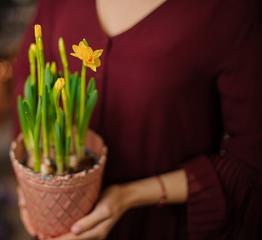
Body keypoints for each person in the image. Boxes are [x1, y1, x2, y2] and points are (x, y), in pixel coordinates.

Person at [13, 0, 262, 239]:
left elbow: (250, 162)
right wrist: (31, 187)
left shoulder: (232, 11)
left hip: (161, 226)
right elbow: (26, 91)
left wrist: (128, 196)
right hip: (60, 222)